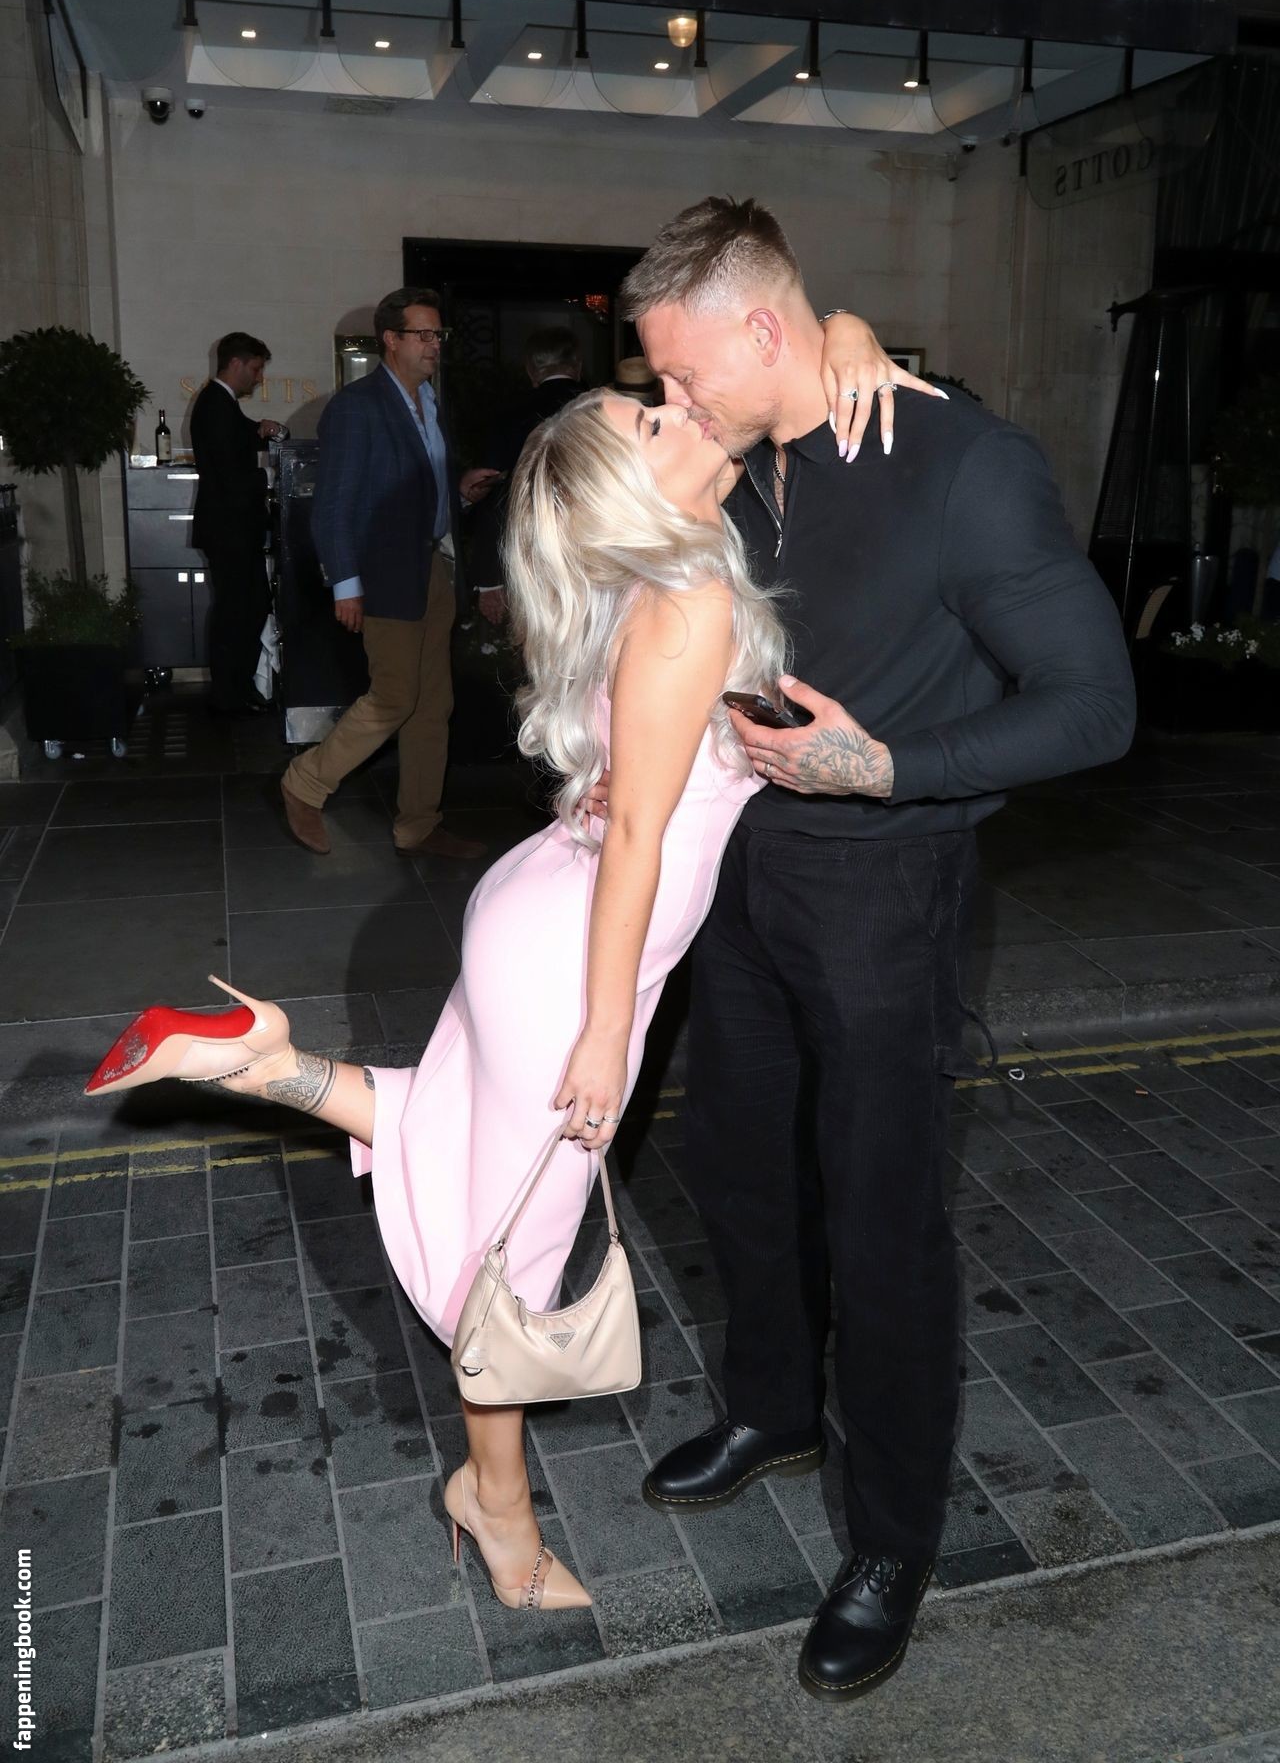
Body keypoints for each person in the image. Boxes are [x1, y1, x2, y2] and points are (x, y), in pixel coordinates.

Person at [83, 314, 915, 1617]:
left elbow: (765, 399)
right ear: (635, 490)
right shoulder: (689, 599)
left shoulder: (661, 576)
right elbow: (639, 833)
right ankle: (497, 1505)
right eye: (651, 419)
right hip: (578, 945)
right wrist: (607, 1030)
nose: (677, 408)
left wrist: (847, 336)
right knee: (515, 1245)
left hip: (540, 908)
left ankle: (260, 1062)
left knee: (469, 1141)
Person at [615, 197, 1137, 1704]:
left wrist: (891, 768)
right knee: (735, 1167)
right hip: (740, 876)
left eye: (686, 373)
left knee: (882, 1216)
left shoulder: (963, 467)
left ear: (761, 329)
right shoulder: (740, 461)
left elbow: (1094, 707)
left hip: (887, 893)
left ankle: (893, 1537)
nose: (673, 402)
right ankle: (776, 1407)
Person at [279, 287, 498, 860]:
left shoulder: (429, 403)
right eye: (423, 334)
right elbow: (333, 506)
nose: (434, 344)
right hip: (381, 576)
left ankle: (418, 825)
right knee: (395, 696)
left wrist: (458, 493)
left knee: (432, 706)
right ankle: (305, 782)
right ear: (391, 340)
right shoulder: (358, 407)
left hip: (431, 570)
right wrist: (346, 584)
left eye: (438, 334)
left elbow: (412, 490)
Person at [468, 325, 587, 626]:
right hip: (593, 555)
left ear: (531, 369)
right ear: (577, 365)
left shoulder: (509, 417)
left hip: (531, 556)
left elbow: (494, 494)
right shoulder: (603, 410)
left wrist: (490, 579)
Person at [190, 332, 283, 715]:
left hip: (231, 529)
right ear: (237, 363)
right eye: (256, 369)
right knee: (237, 611)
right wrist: (270, 477)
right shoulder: (216, 404)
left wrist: (262, 428)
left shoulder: (220, 403)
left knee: (247, 606)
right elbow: (230, 474)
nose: (259, 378)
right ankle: (230, 695)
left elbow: (239, 435)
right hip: (229, 529)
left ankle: (236, 690)